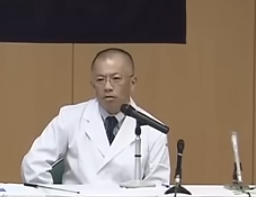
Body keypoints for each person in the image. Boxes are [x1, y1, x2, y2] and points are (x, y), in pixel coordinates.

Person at [21, 48, 170, 186]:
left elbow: (159, 186)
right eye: (100, 80)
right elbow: (33, 165)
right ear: (92, 84)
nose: (107, 87)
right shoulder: (69, 118)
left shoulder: (154, 130)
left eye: (116, 78)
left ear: (132, 83)